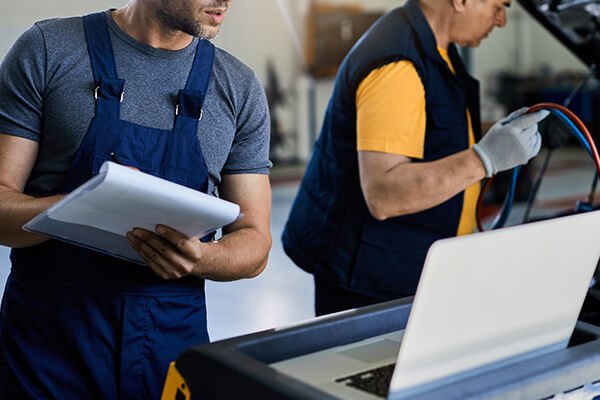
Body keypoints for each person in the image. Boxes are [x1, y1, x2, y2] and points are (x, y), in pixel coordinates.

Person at [0, 0, 272, 398]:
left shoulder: (238, 87)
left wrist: (202, 258)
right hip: (47, 347)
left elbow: (255, 241)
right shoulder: (47, 50)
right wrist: (81, 205)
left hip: (170, 347)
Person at [282, 0, 549, 316]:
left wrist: (503, 135)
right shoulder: (398, 64)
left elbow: (431, 134)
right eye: (498, 6)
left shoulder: (436, 48)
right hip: (369, 282)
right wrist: (484, 159)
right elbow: (384, 194)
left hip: (412, 265)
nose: (502, 20)